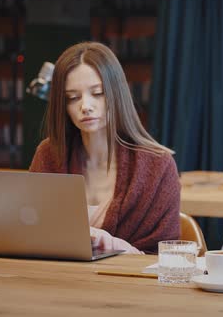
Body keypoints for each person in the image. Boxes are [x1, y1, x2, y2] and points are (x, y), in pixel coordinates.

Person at [29, 42, 180, 254]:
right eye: (73, 98)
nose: (85, 106)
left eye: (98, 93)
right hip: (59, 281)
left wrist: (117, 246)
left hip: (125, 285)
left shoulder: (158, 166)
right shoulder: (48, 155)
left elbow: (166, 259)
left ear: (116, 93)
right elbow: (30, 233)